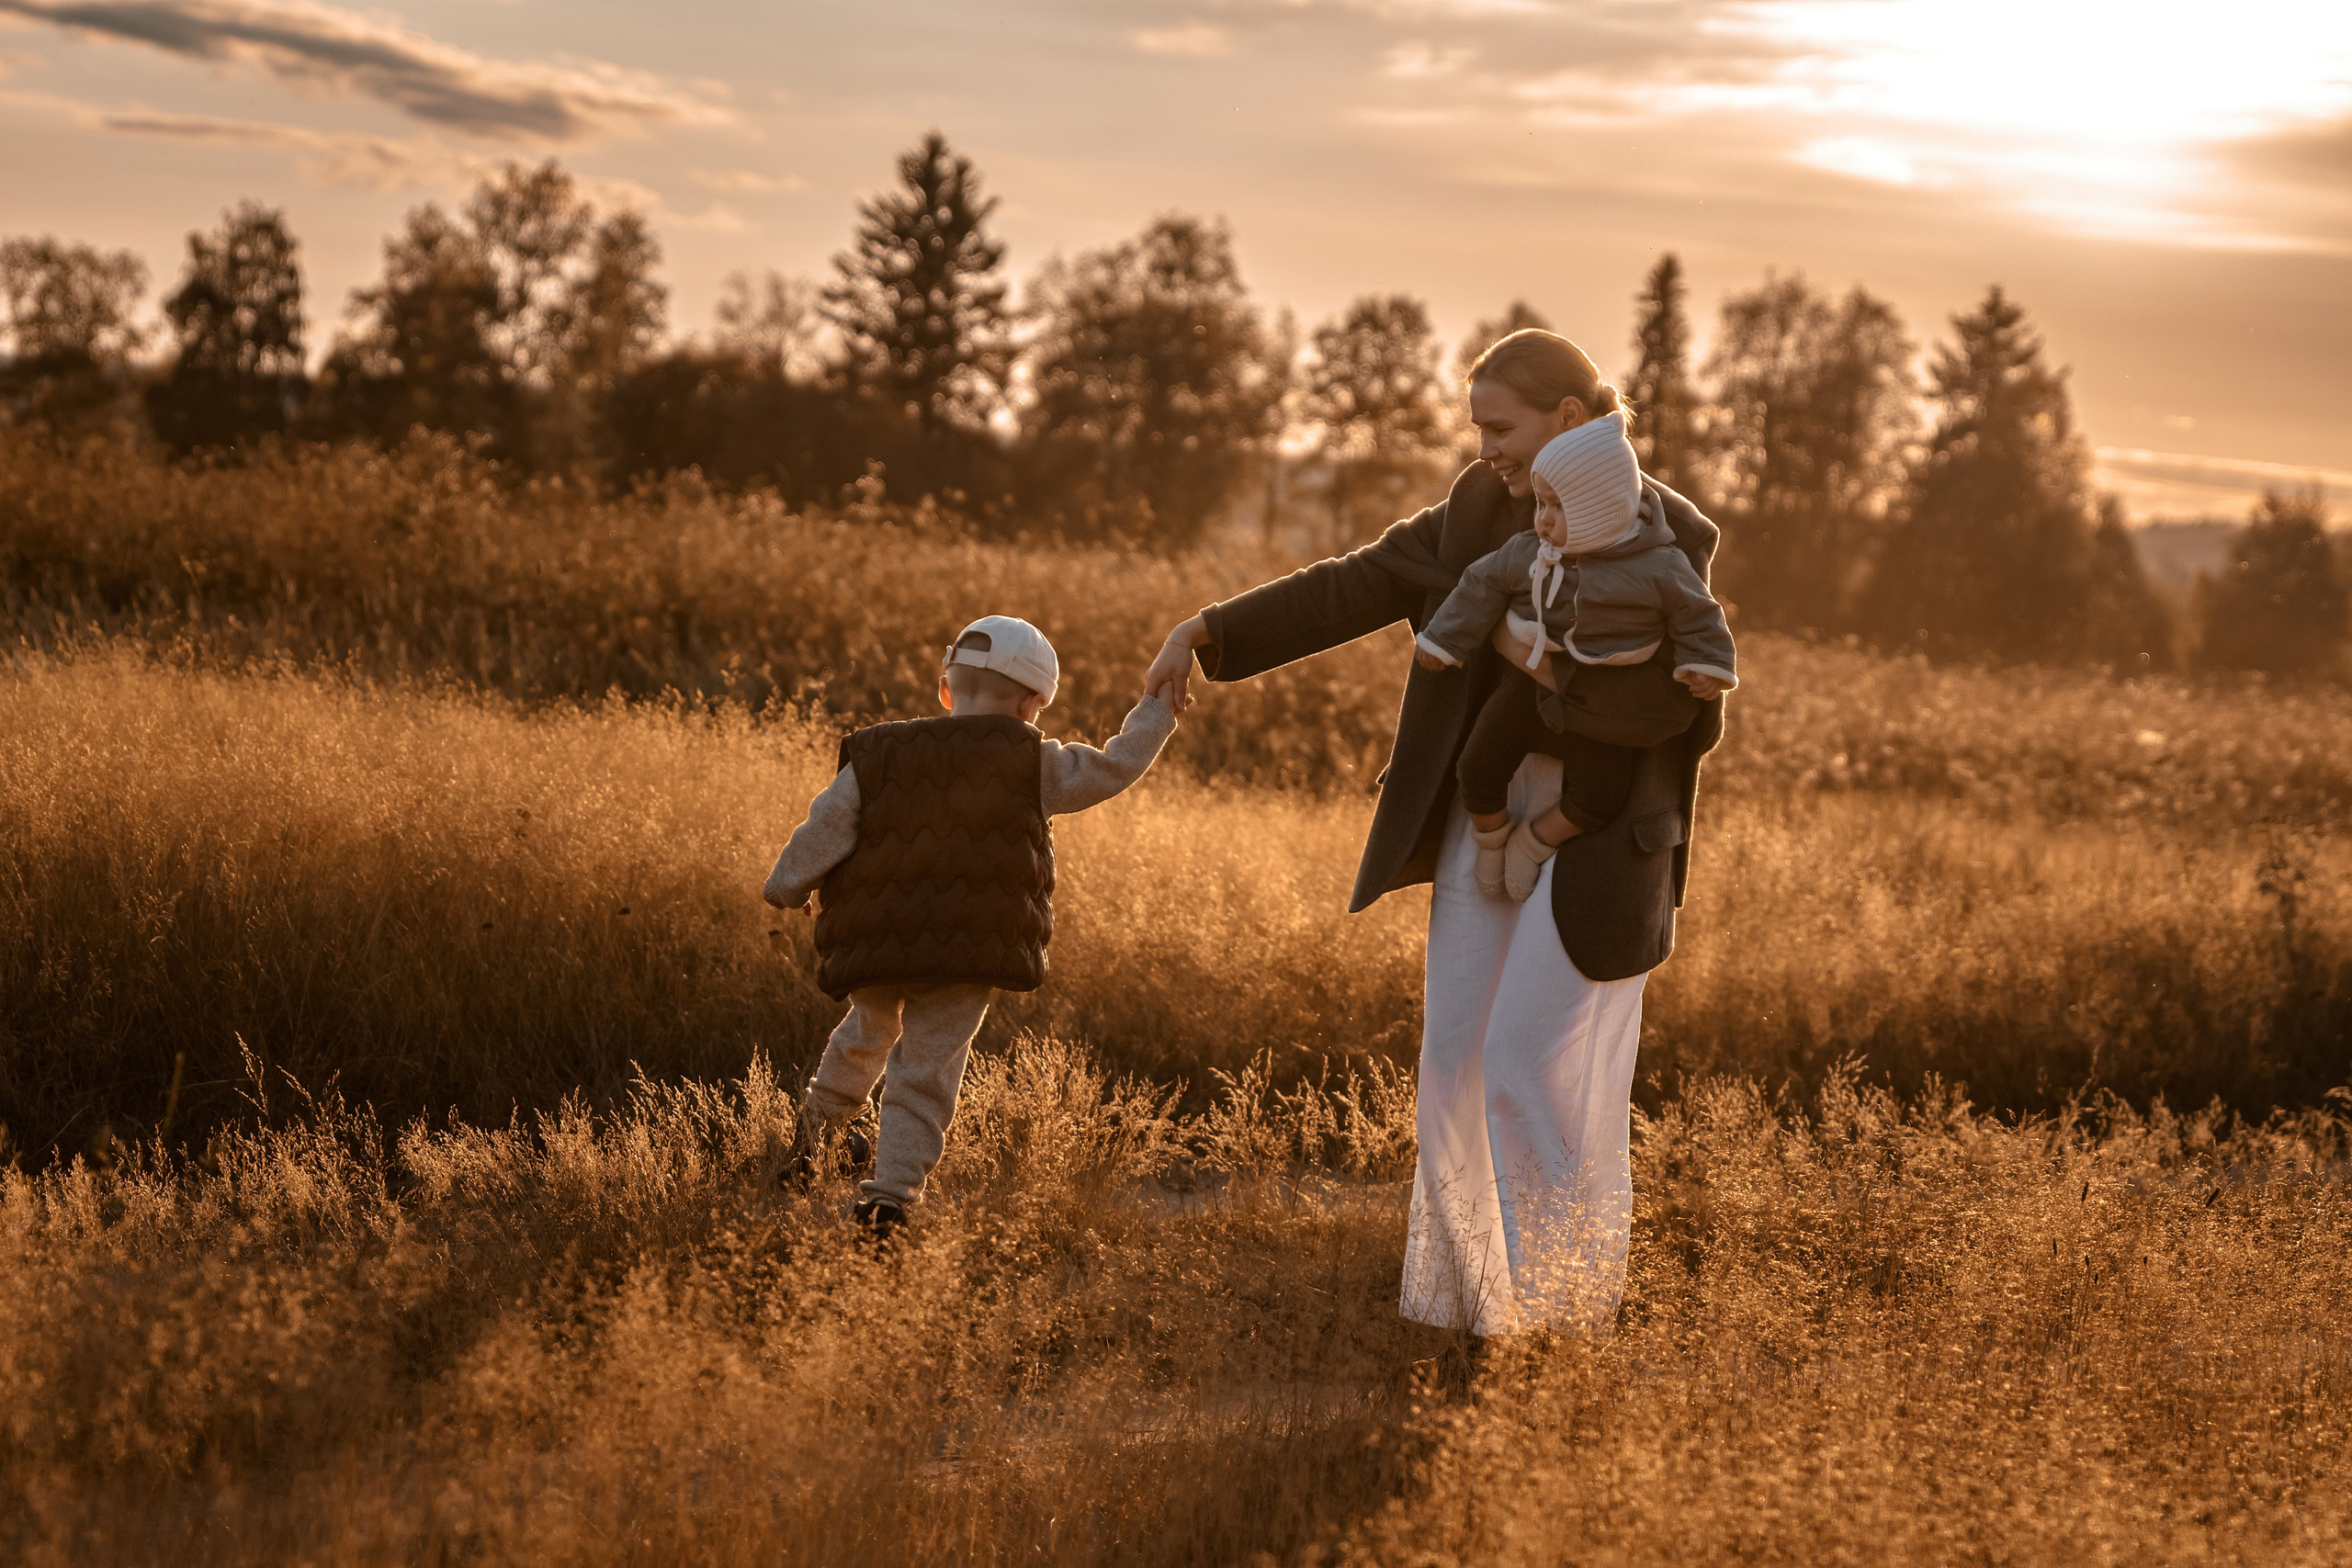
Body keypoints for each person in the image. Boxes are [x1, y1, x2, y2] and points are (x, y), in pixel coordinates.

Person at [1144, 329, 1725, 1337]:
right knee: (1456, 1055)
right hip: (1477, 812)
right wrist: (1205, 632)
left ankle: (1553, 1319)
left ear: (1570, 421)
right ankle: (1462, 1303)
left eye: (1502, 427)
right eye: (1480, 430)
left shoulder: (1666, 533)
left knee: (1529, 1058)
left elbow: (1688, 716)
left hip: (1603, 832)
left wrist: (1548, 664)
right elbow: (1357, 581)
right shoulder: (1474, 512)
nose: (1489, 448)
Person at [764, 615, 1177, 1240]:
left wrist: (786, 885)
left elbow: (828, 822)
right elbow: (1115, 766)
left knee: (861, 1036)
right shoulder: (1031, 759)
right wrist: (1157, 709)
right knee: (924, 1070)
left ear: (944, 688)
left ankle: (811, 1149)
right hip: (967, 950)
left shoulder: (881, 752)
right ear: (1033, 703)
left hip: (879, 943)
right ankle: (888, 1200)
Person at [1412, 409, 1736, 903]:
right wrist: (1444, 641)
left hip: (1611, 701)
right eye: (1541, 504)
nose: (1540, 519)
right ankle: (1492, 839)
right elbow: (1480, 586)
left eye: (1556, 508)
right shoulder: (1530, 554)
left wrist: (1706, 667)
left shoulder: (1661, 565)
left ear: (1602, 509)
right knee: (1477, 767)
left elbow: (1699, 616)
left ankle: (1535, 840)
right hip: (1533, 683)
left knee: (1601, 797)